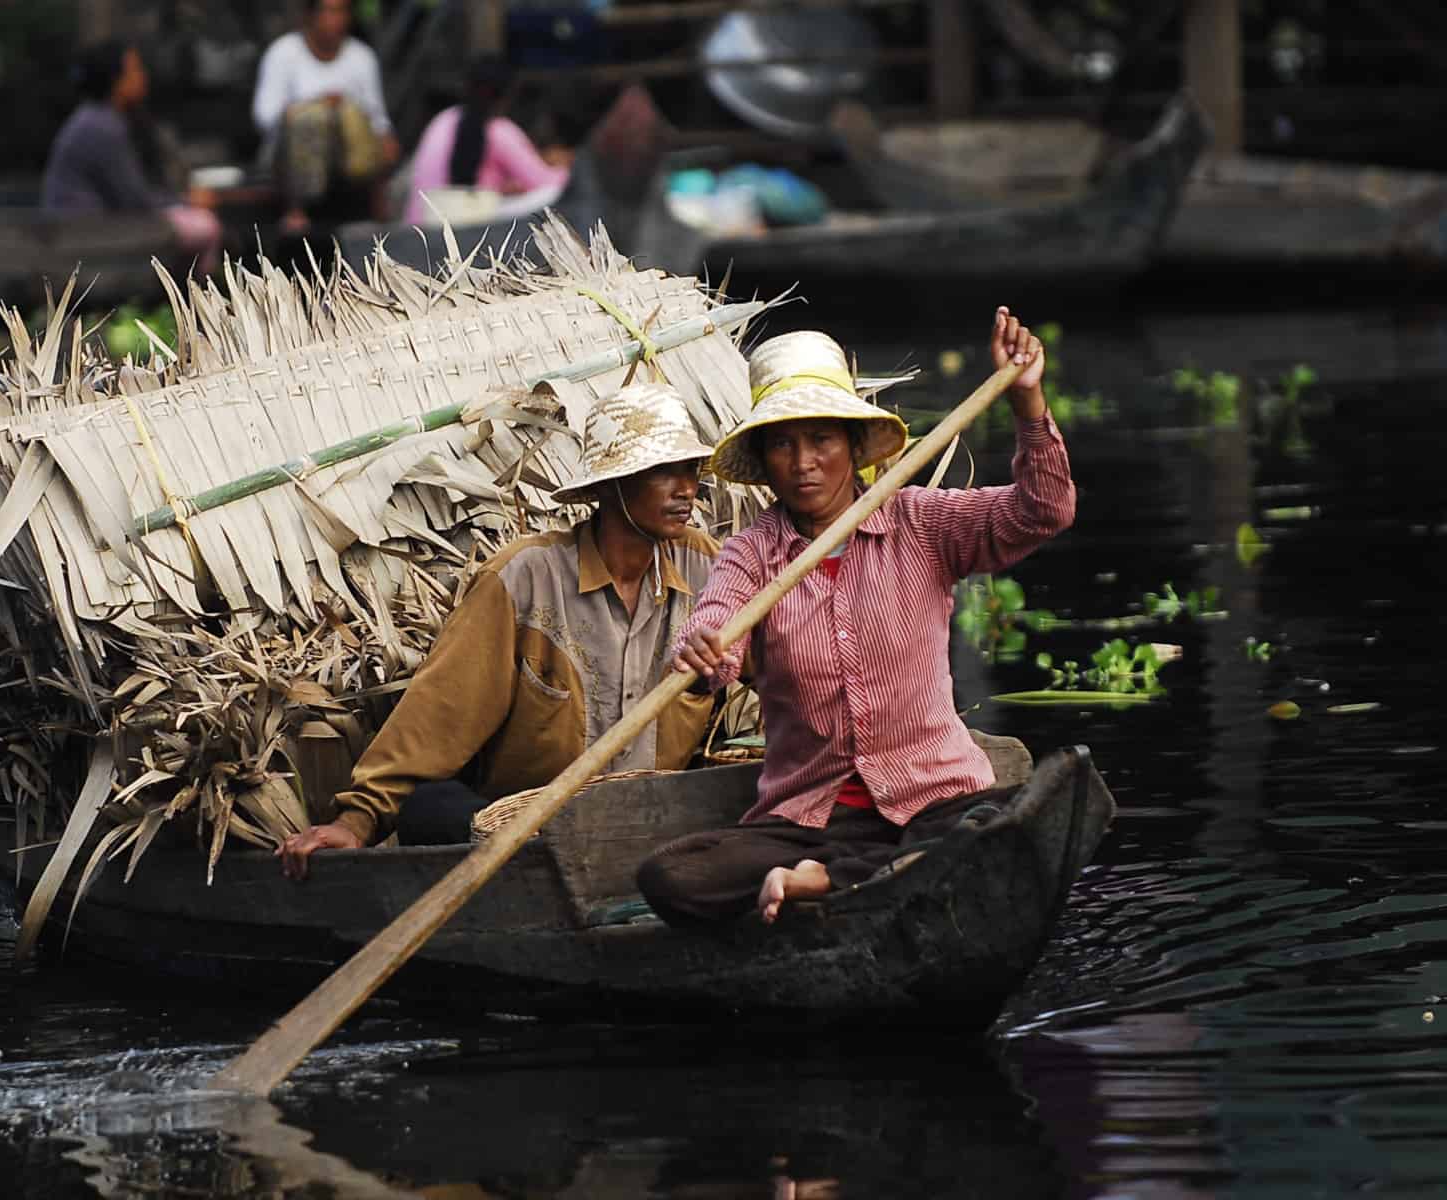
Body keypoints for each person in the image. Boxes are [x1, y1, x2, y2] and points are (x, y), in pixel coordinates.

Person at [636, 310, 1075, 926]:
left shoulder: (920, 523)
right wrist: (705, 650)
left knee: (989, 825)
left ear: (851, 445)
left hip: (933, 802)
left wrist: (1029, 403)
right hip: (810, 824)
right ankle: (846, 872)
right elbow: (716, 629)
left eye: (821, 439)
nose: (804, 462)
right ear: (764, 460)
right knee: (671, 876)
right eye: (783, 443)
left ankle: (836, 881)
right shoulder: (753, 553)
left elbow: (1043, 511)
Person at [278, 382, 726, 879]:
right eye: (663, 471)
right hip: (528, 837)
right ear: (609, 485)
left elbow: (782, 662)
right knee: (429, 807)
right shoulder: (526, 579)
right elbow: (440, 713)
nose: (686, 489)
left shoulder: (711, 571)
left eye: (690, 470)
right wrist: (358, 822)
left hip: (655, 829)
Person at [42, 40, 223, 272]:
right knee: (204, 225)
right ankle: (198, 295)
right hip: (83, 229)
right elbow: (134, 199)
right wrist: (186, 201)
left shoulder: (101, 118)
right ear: (115, 80)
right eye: (135, 70)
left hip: (89, 223)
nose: (142, 77)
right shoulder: (100, 127)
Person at [250, 0, 399, 233]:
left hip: (346, 157)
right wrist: (316, 105)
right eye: (330, 11)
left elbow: (378, 118)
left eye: (342, 12)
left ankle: (377, 210)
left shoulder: (362, 57)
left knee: (353, 116)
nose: (336, 20)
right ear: (310, 15)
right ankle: (296, 209)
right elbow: (265, 116)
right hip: (290, 156)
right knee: (312, 118)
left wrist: (385, 140)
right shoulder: (282, 53)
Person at [401, 56, 571, 228]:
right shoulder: (499, 131)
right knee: (551, 193)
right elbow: (546, 182)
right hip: (467, 223)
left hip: (422, 223)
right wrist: (569, 164)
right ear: (508, 94)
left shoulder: (444, 118)